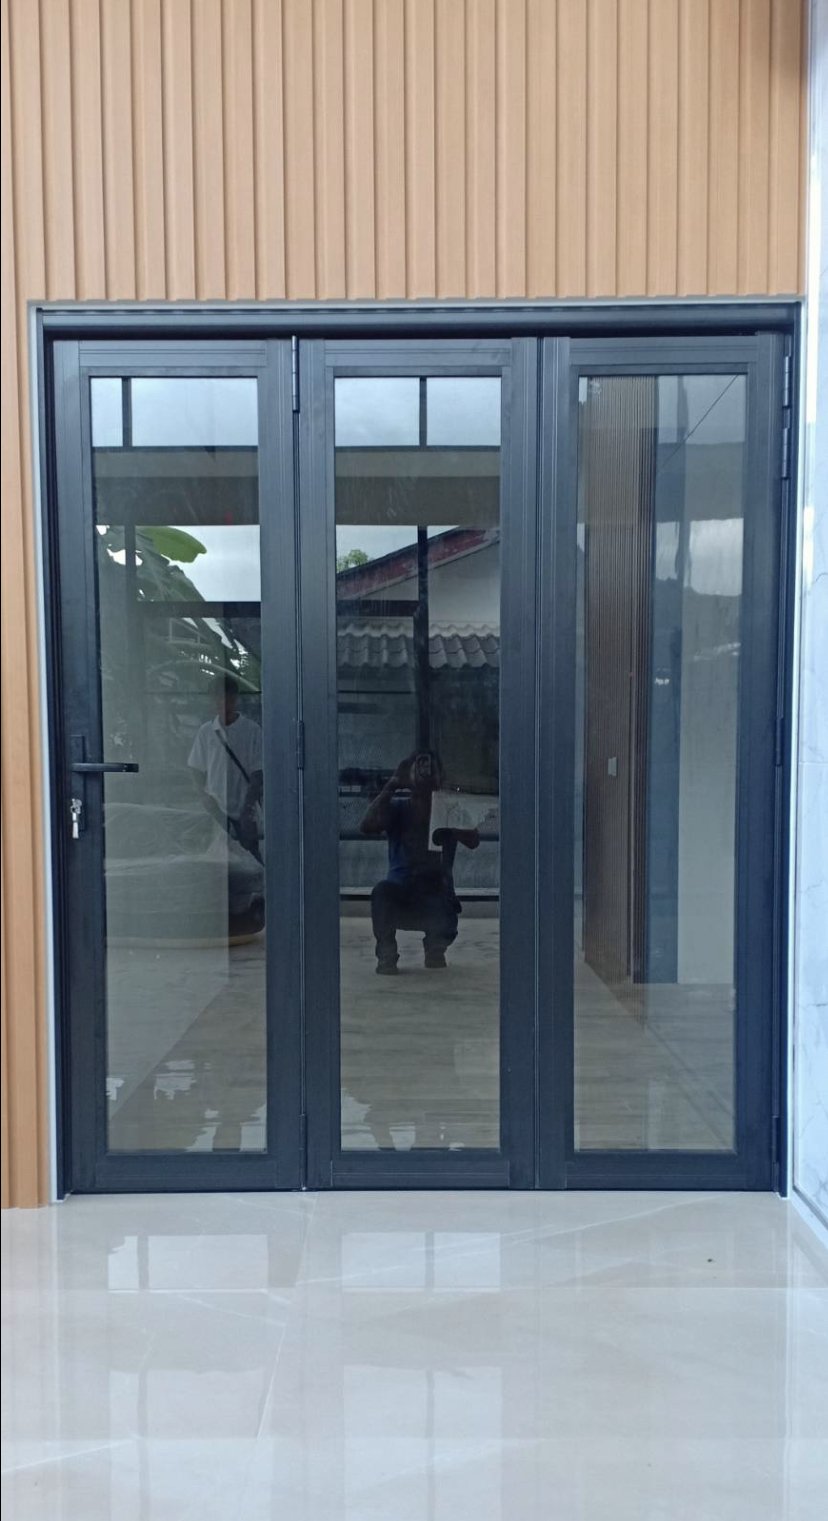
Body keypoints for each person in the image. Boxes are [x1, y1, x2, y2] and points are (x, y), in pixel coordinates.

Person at [360, 751, 479, 975]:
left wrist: (448, 808)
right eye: (420, 769)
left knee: (443, 915)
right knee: (382, 892)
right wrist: (392, 785)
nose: (425, 774)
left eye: (430, 770)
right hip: (402, 893)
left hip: (436, 895)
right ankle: (387, 954)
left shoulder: (448, 811)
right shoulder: (398, 809)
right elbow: (367, 826)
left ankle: (435, 947)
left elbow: (473, 840)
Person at [188, 675, 264, 862]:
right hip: (216, 809)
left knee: (250, 859)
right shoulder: (206, 732)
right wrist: (204, 797)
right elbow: (196, 769)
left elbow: (258, 772)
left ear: (234, 698)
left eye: (224, 697)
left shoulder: (251, 730)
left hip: (244, 810)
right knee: (218, 861)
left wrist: (248, 809)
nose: (219, 702)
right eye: (215, 698)